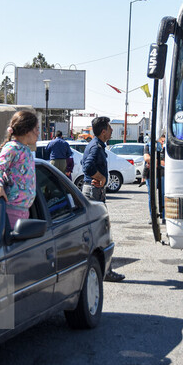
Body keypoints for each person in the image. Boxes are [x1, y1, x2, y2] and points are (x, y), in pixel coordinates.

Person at [82, 116, 125, 282]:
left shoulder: (96, 145)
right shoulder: (96, 147)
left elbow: (86, 163)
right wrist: (101, 178)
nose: (112, 130)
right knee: (101, 232)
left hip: (94, 190)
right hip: (94, 192)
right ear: (103, 131)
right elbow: (87, 166)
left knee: (98, 233)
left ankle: (103, 270)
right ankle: (105, 271)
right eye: (109, 127)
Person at [0, 110, 40, 229]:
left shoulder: (25, 150)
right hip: (12, 211)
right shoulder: (12, 148)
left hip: (23, 211)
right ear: (26, 131)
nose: (38, 133)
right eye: (36, 129)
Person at [143, 133, 165, 224]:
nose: (163, 140)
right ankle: (153, 217)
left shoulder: (167, 147)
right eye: (162, 138)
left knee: (164, 195)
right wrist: (159, 163)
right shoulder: (148, 146)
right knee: (152, 196)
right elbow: (146, 158)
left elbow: (168, 161)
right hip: (151, 175)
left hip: (163, 174)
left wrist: (154, 162)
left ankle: (164, 217)